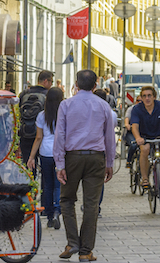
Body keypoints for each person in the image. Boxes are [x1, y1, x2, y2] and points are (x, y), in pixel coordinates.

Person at [53, 70, 115, 262]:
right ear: (96, 85)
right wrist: (110, 163)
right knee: (91, 205)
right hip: (96, 157)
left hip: (72, 157)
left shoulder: (66, 104)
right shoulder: (103, 106)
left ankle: (72, 242)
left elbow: (60, 135)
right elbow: (109, 138)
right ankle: (86, 251)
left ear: (76, 84)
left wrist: (59, 164)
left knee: (66, 200)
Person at [131, 86, 160, 206]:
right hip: (144, 137)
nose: (147, 98)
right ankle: (145, 178)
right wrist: (138, 138)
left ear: (154, 96)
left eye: (149, 95)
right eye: (144, 96)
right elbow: (134, 126)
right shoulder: (137, 109)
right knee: (144, 150)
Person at [26, 87, 64, 230]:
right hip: (61, 152)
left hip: (46, 152)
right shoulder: (64, 114)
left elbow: (38, 137)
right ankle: (57, 211)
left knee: (47, 184)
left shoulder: (42, 115)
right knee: (59, 184)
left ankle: (48, 214)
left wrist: (31, 157)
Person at [19, 70, 54, 166]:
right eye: (51, 82)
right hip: (42, 135)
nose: (51, 85)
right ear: (46, 81)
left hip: (26, 133)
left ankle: (31, 180)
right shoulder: (48, 95)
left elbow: (18, 113)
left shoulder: (24, 93)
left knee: (29, 165)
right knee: (44, 167)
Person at [123, 96, 142, 168]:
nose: (139, 102)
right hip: (131, 133)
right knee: (133, 144)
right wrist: (127, 124)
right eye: (138, 100)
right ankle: (129, 160)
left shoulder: (145, 110)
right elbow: (127, 118)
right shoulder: (131, 109)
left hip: (141, 133)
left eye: (141, 100)